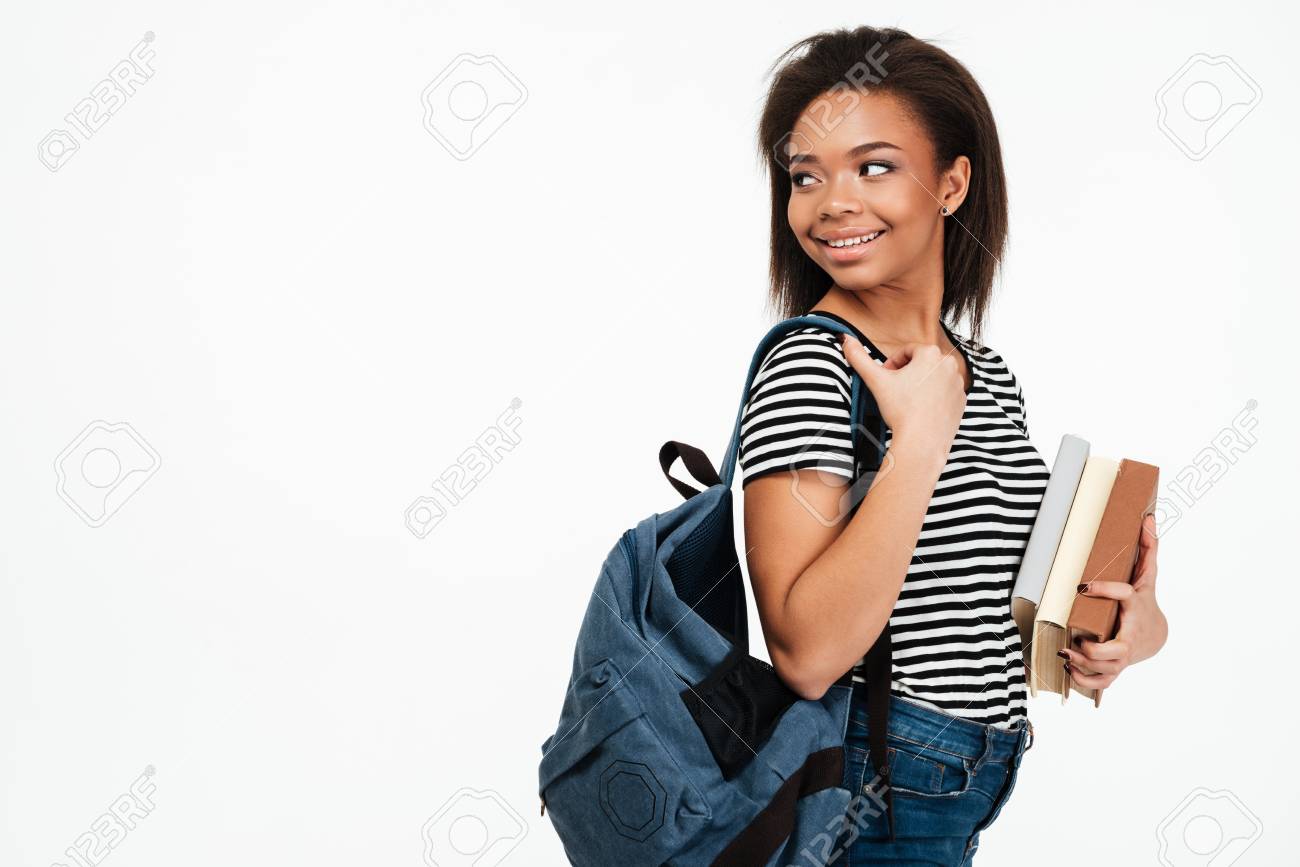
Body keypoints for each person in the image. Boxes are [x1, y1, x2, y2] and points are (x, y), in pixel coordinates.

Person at [737, 26, 1168, 864]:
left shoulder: (985, 370)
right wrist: (920, 441)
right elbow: (807, 652)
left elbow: (992, 609)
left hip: (965, 784)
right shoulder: (813, 361)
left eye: (873, 166)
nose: (831, 202)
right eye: (805, 176)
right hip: (871, 787)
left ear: (952, 182)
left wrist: (1131, 630)